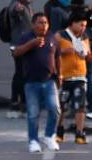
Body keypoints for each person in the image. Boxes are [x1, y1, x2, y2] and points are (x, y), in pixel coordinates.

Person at [14, 13, 60, 153]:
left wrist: (60, 74)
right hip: (31, 82)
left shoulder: (52, 37)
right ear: (33, 24)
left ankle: (49, 135)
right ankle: (33, 140)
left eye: (45, 23)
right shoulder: (26, 37)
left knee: (55, 109)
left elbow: (57, 56)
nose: (43, 26)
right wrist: (32, 44)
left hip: (49, 80)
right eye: (40, 23)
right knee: (33, 113)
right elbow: (16, 52)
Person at [56, 12, 92, 144]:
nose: (83, 28)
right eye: (81, 25)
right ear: (72, 23)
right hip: (65, 77)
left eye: (85, 25)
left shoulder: (85, 37)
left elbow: (87, 58)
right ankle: (59, 130)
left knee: (80, 106)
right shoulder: (60, 36)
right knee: (62, 106)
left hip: (80, 77)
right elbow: (51, 53)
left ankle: (80, 133)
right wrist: (63, 52)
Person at [6, 0, 35, 117]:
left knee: (23, 73)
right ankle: (16, 104)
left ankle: (21, 102)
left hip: (25, 44)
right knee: (20, 74)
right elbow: (13, 10)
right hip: (18, 45)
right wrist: (18, 10)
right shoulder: (16, 4)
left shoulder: (27, 4)